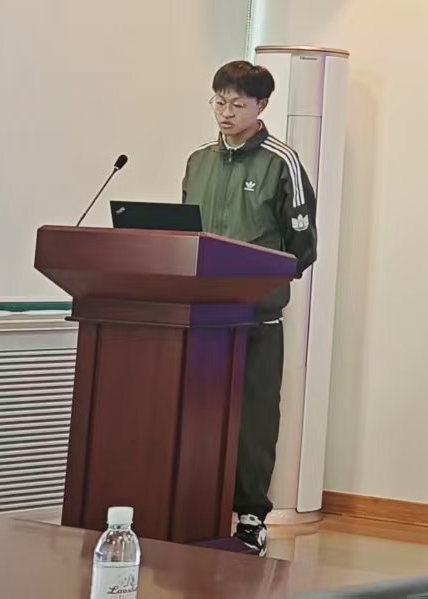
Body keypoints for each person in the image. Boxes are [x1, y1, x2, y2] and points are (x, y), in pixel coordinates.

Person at [182, 60, 317, 556]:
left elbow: (302, 247)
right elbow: (186, 236)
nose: (226, 112)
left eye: (238, 104)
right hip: (200, 318)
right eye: (219, 101)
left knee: (254, 421)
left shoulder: (282, 162)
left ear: (262, 106)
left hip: (256, 318)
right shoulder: (198, 160)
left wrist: (261, 283)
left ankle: (251, 518)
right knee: (195, 415)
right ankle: (192, 509)